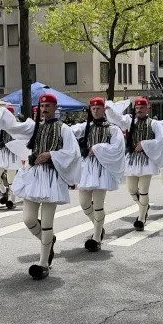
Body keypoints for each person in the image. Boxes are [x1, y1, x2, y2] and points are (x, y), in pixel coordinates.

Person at [0, 94, 81, 279]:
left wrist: (51, 155)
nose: (45, 109)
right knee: (29, 219)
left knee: (47, 223)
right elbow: (15, 127)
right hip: (33, 176)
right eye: (43, 105)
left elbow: (73, 153)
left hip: (51, 178)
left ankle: (43, 263)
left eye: (48, 105)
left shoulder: (64, 129)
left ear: (55, 107)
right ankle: (49, 241)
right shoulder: (34, 126)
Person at [69, 97, 125, 251]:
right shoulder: (85, 127)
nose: (95, 111)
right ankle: (98, 227)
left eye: (98, 108)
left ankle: (96, 238)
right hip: (86, 168)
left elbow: (118, 147)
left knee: (98, 205)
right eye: (93, 108)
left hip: (102, 169)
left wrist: (98, 148)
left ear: (104, 109)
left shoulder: (113, 129)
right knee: (84, 203)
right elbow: (69, 132)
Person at [107, 97, 163, 230]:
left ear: (147, 109)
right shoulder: (129, 121)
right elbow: (118, 120)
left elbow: (161, 141)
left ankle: (141, 218)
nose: (139, 110)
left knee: (143, 191)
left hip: (146, 161)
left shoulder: (154, 124)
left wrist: (145, 144)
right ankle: (144, 206)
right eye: (137, 108)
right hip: (132, 160)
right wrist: (109, 110)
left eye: (141, 108)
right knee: (132, 190)